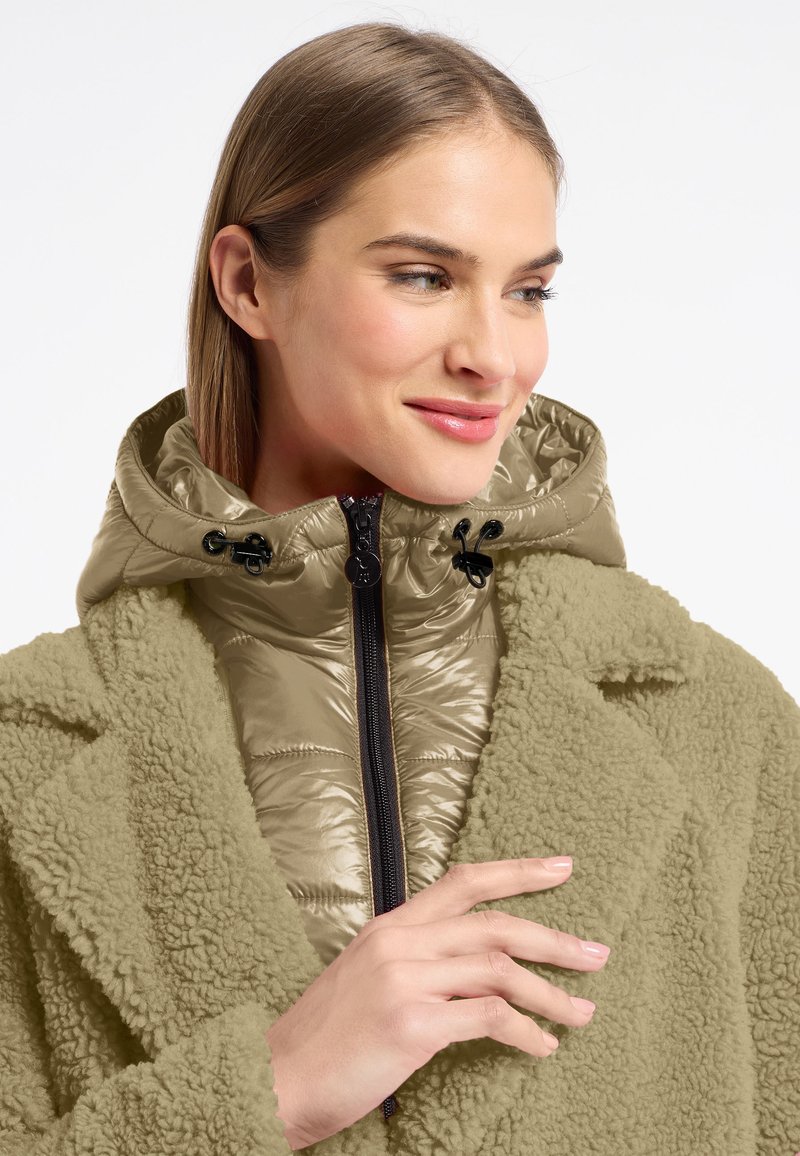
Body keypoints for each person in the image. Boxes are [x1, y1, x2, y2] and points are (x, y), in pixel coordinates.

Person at [0, 19, 797, 1156]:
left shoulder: (716, 724)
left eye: (528, 291)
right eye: (424, 276)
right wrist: (269, 1091)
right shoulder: (29, 752)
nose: (494, 356)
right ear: (247, 284)